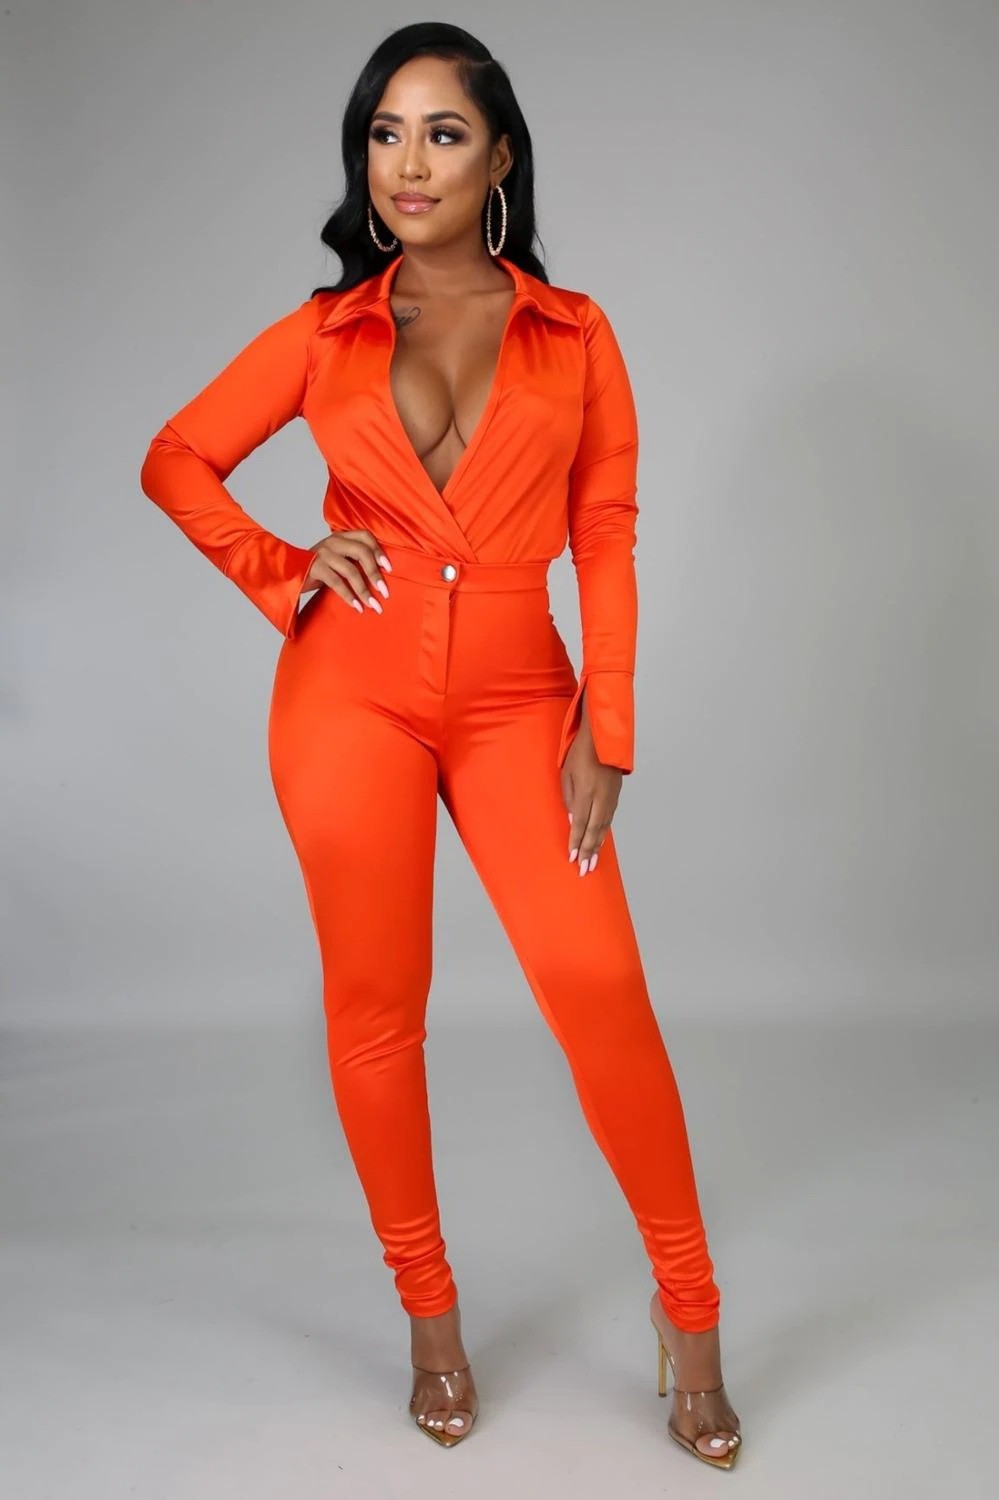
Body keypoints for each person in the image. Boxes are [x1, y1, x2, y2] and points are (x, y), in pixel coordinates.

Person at [139, 20, 742, 1467]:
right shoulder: (328, 331)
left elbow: (606, 531)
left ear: (501, 158)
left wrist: (609, 727)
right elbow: (177, 457)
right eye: (384, 133)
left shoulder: (575, 333)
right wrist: (288, 570)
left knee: (601, 990)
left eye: (443, 132)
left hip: (523, 698)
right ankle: (430, 1318)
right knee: (377, 1011)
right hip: (348, 690)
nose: (408, 164)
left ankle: (694, 1314)